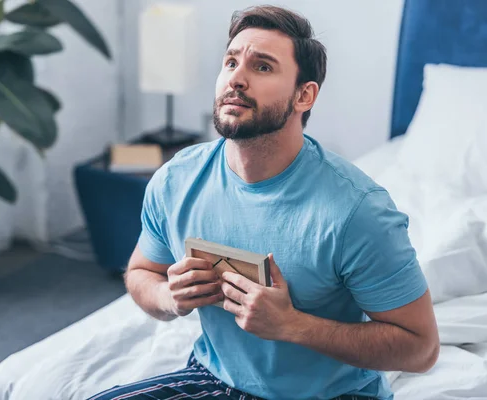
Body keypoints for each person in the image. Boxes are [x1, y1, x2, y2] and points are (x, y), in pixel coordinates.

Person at [89, 5, 439, 400]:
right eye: (231, 61)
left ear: (304, 95)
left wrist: (293, 325)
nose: (236, 78)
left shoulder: (357, 211)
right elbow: (140, 273)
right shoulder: (176, 180)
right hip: (214, 380)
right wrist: (170, 297)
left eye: (262, 67)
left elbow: (421, 348)